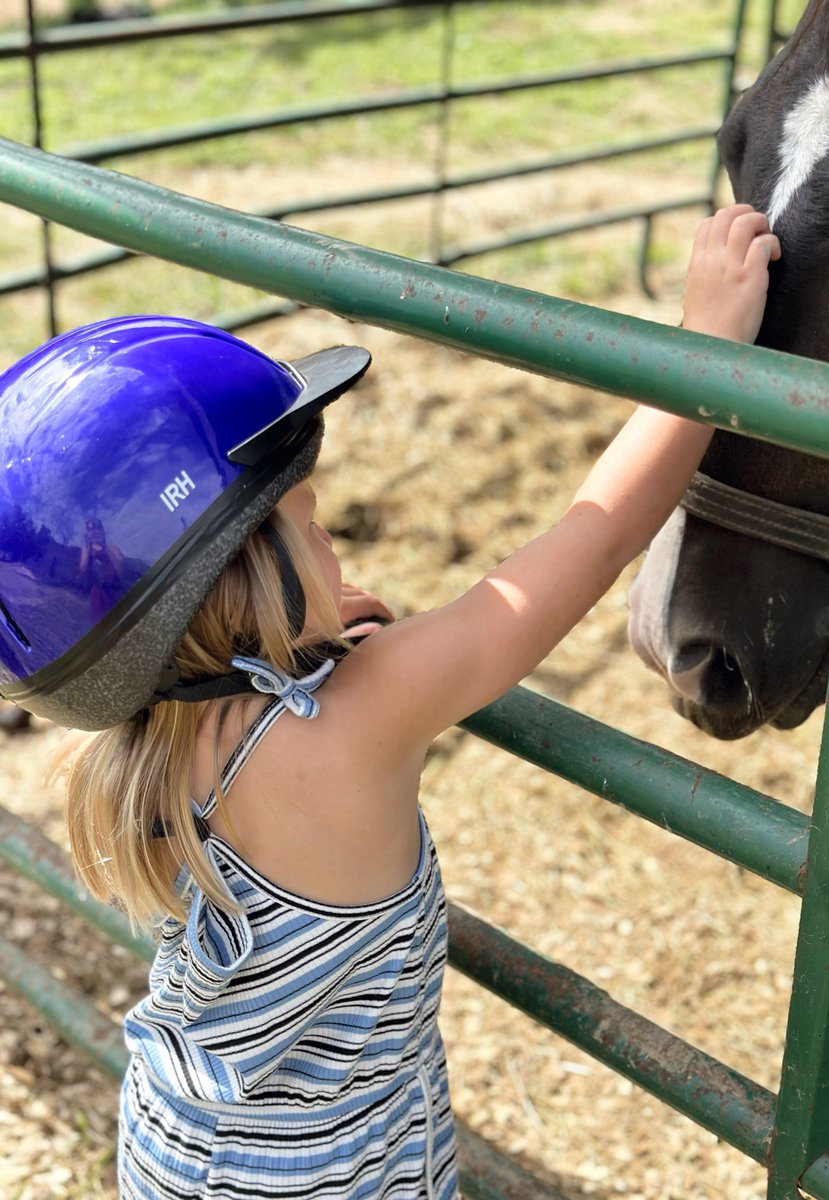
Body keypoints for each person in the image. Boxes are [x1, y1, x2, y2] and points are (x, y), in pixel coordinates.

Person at [0, 204, 778, 1200]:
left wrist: (310, 638)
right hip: (328, 1177)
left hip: (179, 1141)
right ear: (240, 581)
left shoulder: (146, 731)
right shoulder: (354, 722)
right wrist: (706, 349)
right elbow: (592, 539)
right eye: (308, 525)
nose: (332, 544)